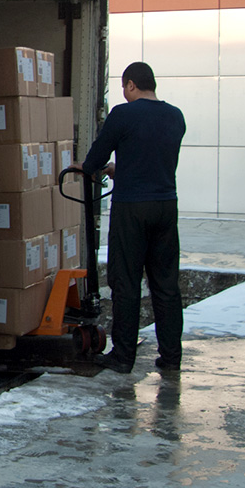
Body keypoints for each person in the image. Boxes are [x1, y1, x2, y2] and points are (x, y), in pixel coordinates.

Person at [69, 61, 186, 374]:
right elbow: (154, 159)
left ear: (131, 84)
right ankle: (171, 357)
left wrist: (88, 167)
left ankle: (122, 357)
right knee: (165, 285)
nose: (125, 92)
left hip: (132, 209)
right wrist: (122, 171)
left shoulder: (123, 113)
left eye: (125, 87)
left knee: (126, 282)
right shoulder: (176, 116)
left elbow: (96, 157)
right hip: (165, 206)